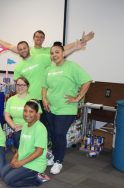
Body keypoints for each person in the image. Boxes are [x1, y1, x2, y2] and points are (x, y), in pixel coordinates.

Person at [42, 42, 92, 174]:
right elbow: (44, 86)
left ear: (63, 53)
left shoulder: (72, 67)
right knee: (52, 134)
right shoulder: (48, 69)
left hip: (66, 108)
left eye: (57, 52)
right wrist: (44, 99)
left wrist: (77, 98)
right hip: (50, 108)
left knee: (59, 133)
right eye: (52, 53)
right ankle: (53, 156)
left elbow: (87, 81)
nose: (54, 55)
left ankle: (59, 161)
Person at [1, 100, 48, 187]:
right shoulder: (25, 125)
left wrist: (21, 163)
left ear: (36, 113)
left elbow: (39, 152)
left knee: (9, 180)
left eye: (31, 111)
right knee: (2, 173)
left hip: (35, 164)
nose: (27, 114)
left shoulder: (40, 128)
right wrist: (14, 159)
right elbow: (21, 147)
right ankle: (25, 174)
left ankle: (38, 179)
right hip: (23, 159)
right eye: (25, 111)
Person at [0, 30, 95, 56]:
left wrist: (81, 41)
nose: (39, 38)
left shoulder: (48, 50)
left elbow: (64, 47)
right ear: (33, 38)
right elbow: (9, 46)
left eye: (41, 37)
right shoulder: (26, 50)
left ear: (43, 39)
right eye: (37, 36)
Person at [4, 76, 33, 149]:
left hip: (30, 127)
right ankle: (19, 154)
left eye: (23, 85)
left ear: (27, 86)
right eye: (18, 85)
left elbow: (37, 118)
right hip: (16, 128)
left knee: (20, 136)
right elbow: (6, 115)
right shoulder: (11, 100)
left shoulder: (32, 100)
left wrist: (24, 127)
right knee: (17, 136)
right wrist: (14, 126)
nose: (20, 87)